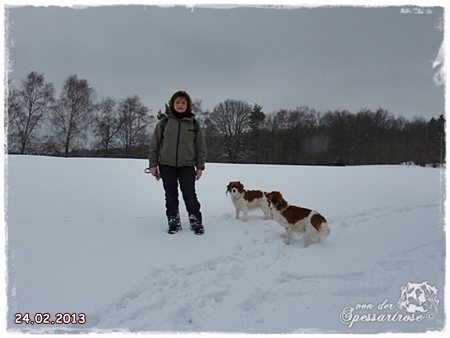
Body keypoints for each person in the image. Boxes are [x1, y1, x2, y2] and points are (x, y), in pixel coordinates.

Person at [149, 90, 207, 235]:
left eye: (183, 102)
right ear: (172, 104)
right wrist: (153, 164)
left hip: (187, 165)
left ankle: (196, 221)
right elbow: (154, 144)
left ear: (187, 105)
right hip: (166, 164)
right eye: (177, 102)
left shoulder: (193, 124)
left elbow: (201, 147)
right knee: (170, 195)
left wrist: (200, 167)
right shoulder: (164, 123)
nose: (180, 105)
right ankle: (173, 221)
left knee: (190, 195)